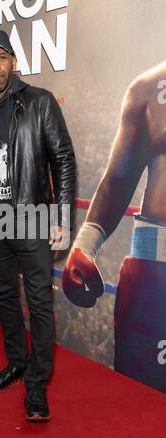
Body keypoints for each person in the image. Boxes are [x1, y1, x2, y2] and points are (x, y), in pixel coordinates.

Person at [0, 28, 76, 421]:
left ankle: (37, 384)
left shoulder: (39, 103)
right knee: (6, 298)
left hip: (31, 218)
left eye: (2, 57)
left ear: (13, 63)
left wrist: (61, 216)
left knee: (39, 302)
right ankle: (16, 363)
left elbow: (63, 160)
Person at [62, 62, 166, 393]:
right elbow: (117, 181)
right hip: (156, 274)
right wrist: (84, 245)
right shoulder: (149, 88)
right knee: (139, 397)